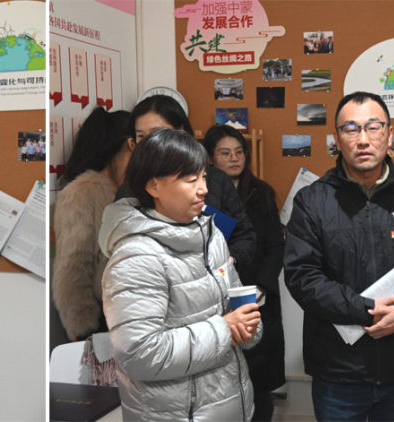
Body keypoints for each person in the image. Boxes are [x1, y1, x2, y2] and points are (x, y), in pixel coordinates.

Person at [284, 92, 394, 421]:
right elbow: (303, 277)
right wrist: (366, 309)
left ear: (389, 134)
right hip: (337, 373)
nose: (362, 139)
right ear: (336, 138)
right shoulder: (312, 201)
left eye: (373, 127)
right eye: (351, 129)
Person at [100, 127, 262, 421]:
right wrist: (225, 330)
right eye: (190, 180)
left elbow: (236, 308)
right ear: (153, 186)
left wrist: (247, 325)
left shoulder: (210, 235)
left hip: (230, 404)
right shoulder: (136, 256)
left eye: (203, 177)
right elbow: (140, 354)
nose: (203, 189)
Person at [202, 125, 286, 422]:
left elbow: (276, 246)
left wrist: (261, 287)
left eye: (239, 152)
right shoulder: (200, 195)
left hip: (257, 295)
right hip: (214, 297)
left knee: (259, 387)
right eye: (225, 153)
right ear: (210, 159)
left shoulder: (260, 194)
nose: (234, 158)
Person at [114, 95, 258, 268]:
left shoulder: (217, 180)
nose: (149, 144)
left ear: (180, 130)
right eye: (141, 136)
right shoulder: (129, 191)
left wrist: (224, 263)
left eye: (158, 133)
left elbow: (244, 235)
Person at [53, 108, 132, 346]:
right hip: (101, 322)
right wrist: (81, 327)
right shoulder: (82, 193)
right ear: (129, 145)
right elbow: (73, 265)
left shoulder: (132, 189)